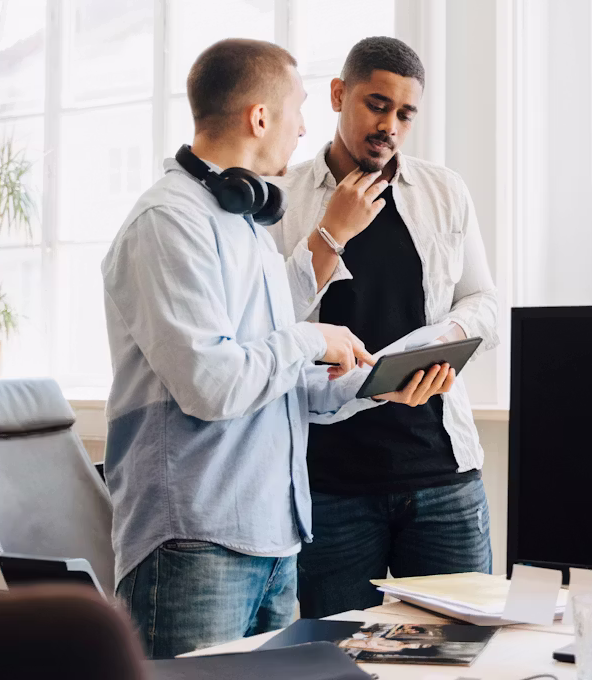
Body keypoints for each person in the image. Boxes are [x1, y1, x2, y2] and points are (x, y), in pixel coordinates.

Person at [100, 38, 455, 659]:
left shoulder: (244, 224)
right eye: (296, 110)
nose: (303, 128)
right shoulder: (167, 223)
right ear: (260, 118)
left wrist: (374, 386)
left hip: (271, 539)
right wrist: (311, 337)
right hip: (196, 540)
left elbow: (279, 379)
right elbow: (213, 384)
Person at [268, 36, 500, 619]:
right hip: (330, 485)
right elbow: (266, 329)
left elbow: (484, 301)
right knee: (341, 661)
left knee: (464, 651)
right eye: (376, 105)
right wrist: (330, 232)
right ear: (339, 95)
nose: (389, 125)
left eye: (405, 113)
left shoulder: (444, 192)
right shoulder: (281, 199)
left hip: (443, 475)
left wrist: (446, 343)